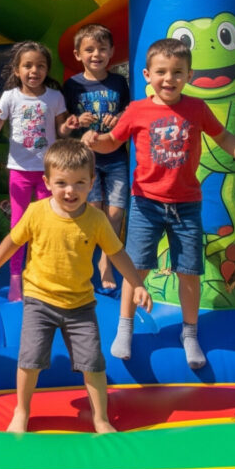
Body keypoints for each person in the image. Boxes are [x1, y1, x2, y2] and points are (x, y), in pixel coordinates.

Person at [82, 37, 235, 369]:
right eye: (162, 72)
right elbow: (113, 142)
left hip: (186, 205)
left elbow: (225, 137)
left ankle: (190, 333)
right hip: (145, 203)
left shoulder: (196, 108)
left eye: (177, 72)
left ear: (189, 75)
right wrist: (96, 141)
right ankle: (125, 328)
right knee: (134, 267)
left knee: (189, 272)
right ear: (147, 75)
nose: (169, 78)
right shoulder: (137, 109)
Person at [0, 140, 151, 434]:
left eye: (80, 183)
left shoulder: (96, 220)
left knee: (93, 363)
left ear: (92, 182)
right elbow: (13, 241)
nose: (71, 191)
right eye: (62, 183)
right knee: (30, 360)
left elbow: (117, 253)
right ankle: (22, 410)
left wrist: (137, 283)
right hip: (40, 300)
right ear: (47, 182)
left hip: (80, 304)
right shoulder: (37, 212)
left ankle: (101, 418)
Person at [0, 41, 73, 301]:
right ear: (17, 69)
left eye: (40, 66)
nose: (34, 71)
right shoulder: (11, 97)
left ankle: (43, 273)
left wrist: (70, 124)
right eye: (28, 66)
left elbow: (62, 131)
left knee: (48, 223)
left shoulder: (54, 97)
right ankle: (15, 278)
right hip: (20, 171)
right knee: (19, 225)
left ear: (47, 70)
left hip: (48, 172)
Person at [62, 24, 130, 291]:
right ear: (78, 54)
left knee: (115, 213)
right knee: (93, 211)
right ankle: (85, 264)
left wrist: (120, 118)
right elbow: (64, 120)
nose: (96, 54)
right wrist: (77, 120)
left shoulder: (119, 82)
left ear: (112, 52)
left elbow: (128, 111)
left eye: (102, 49)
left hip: (115, 157)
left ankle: (107, 262)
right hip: (85, 160)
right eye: (89, 49)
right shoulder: (73, 85)